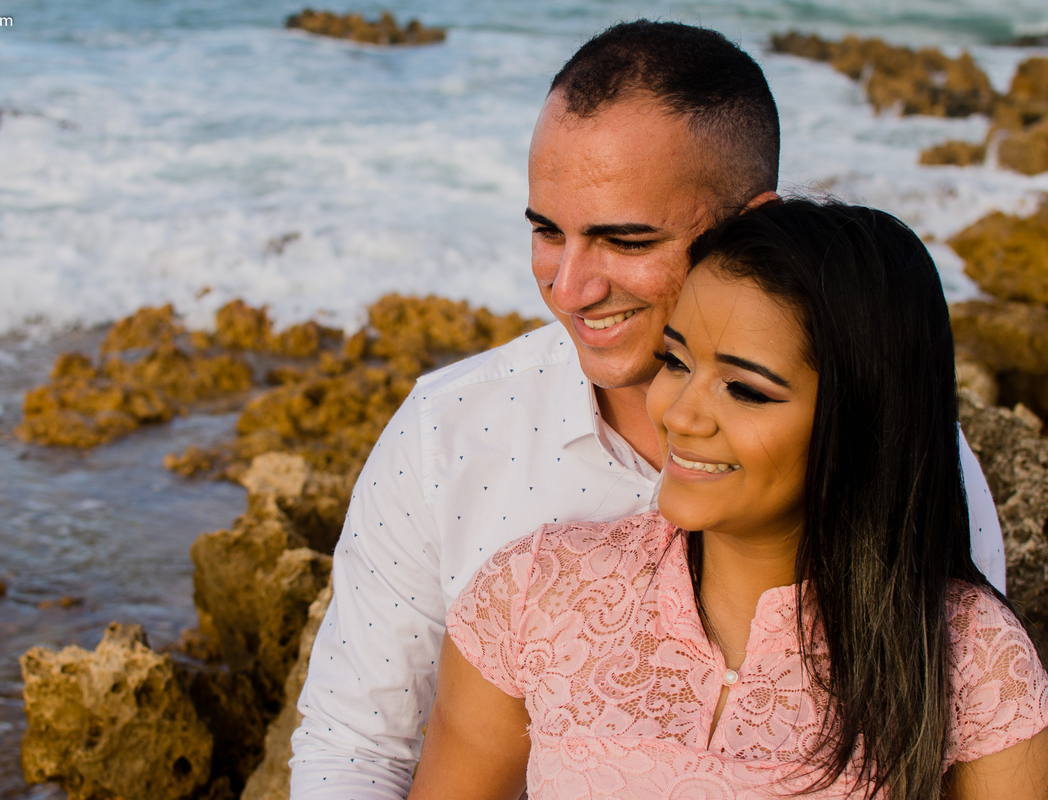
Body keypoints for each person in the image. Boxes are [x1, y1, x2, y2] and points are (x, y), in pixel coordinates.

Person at [289, 22, 1006, 797]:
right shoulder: (449, 432)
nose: (569, 289)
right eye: (545, 232)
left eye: (623, 240)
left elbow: (954, 709)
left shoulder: (895, 455)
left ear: (750, 223)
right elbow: (352, 747)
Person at [410, 199, 1048, 799]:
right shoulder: (534, 596)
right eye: (678, 361)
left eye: (745, 390)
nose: (682, 414)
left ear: (866, 422)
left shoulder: (973, 662)